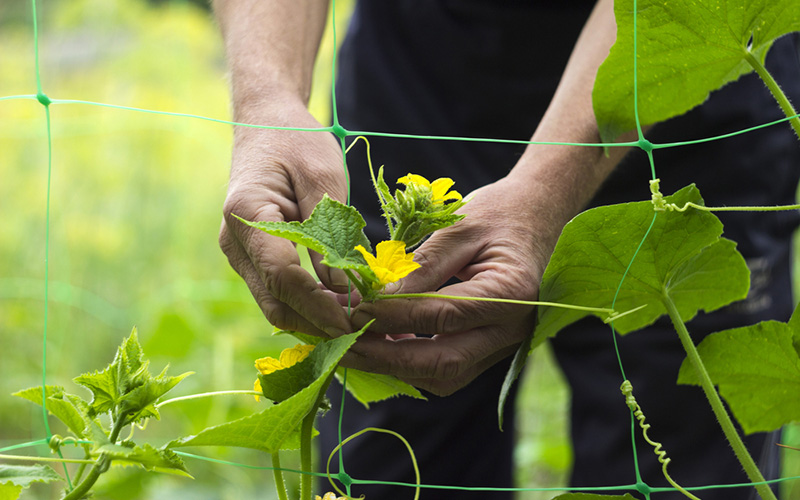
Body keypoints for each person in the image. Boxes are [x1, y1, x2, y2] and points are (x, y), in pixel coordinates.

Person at [212, 0, 800, 498]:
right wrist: (268, 97)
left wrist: (551, 182)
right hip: (421, 77)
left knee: (677, 459)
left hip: (685, 84)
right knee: (391, 445)